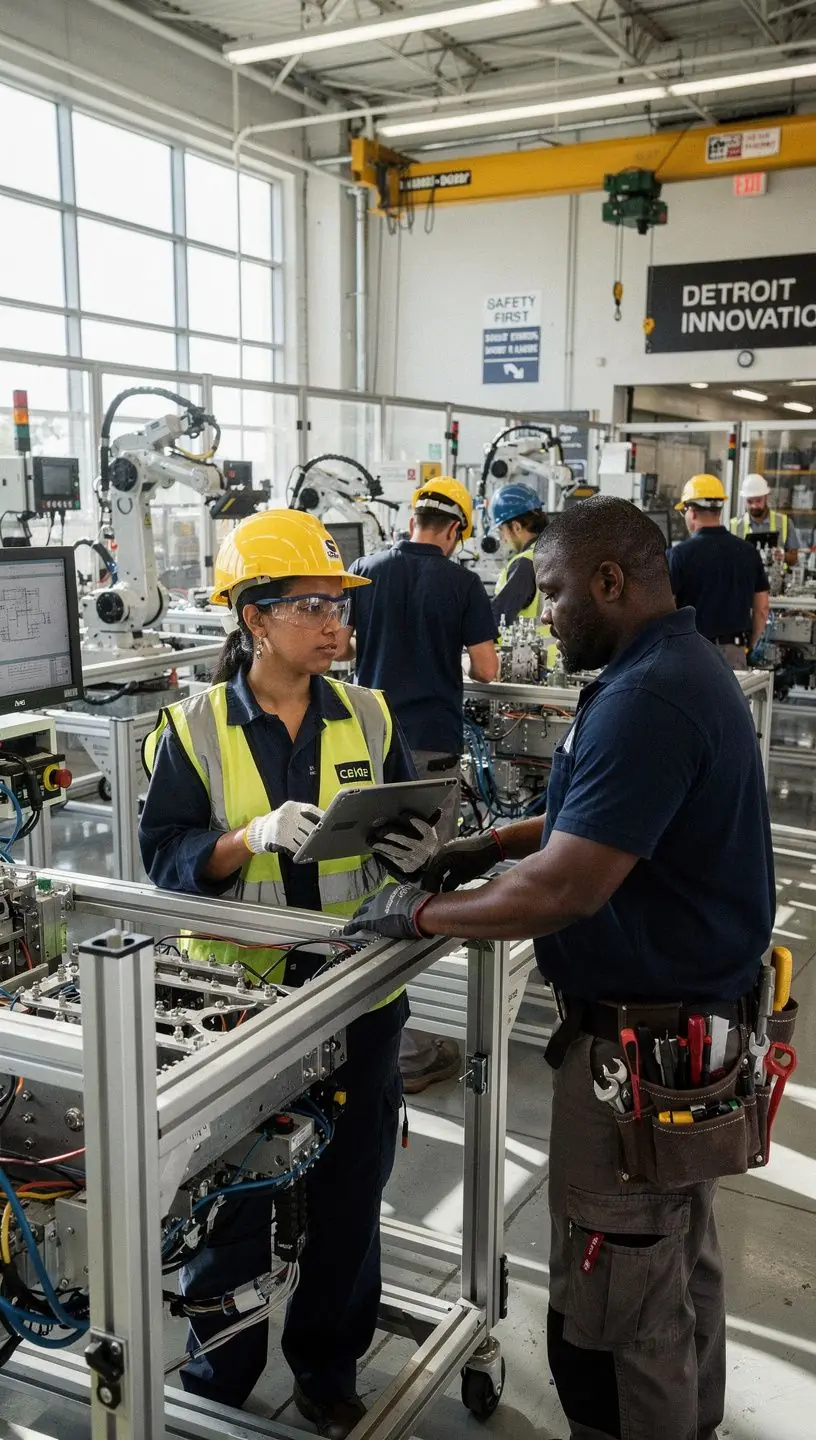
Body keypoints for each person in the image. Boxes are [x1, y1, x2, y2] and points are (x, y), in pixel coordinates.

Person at [345, 496, 775, 1440]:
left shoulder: (649, 696)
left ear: (610, 582)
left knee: (619, 1305)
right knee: (674, 1263)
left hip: (640, 1049)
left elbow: (565, 890)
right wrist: (485, 844)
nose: (541, 617)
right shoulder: (662, 667)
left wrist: (420, 910)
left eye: (552, 594)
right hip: (687, 1032)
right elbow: (603, 813)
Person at [139, 509, 439, 1438]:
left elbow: (398, 846)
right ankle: (219, 1369)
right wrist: (247, 838)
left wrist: (420, 846)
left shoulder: (371, 711)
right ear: (254, 619)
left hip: (358, 993)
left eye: (339, 603)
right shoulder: (190, 728)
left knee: (351, 1193)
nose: (334, 622)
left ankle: (328, 1364)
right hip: (238, 1005)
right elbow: (166, 857)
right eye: (310, 604)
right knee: (233, 1195)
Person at [337, 477, 499, 1094]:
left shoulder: (365, 567)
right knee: (422, 881)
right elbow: (486, 668)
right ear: (456, 530)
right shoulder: (462, 584)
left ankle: (365, 1018)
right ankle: (408, 1046)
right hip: (430, 748)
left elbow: (344, 645)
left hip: (367, 741)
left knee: (366, 870)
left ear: (414, 519)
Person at [668, 473, 769, 668]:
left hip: (690, 653)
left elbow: (667, 610)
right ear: (719, 510)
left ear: (692, 512)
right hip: (735, 653)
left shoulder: (679, 555)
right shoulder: (749, 552)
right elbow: (762, 609)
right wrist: (748, 645)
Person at [730, 472, 801, 566]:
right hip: (745, 579)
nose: (754, 505)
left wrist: (783, 556)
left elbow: (794, 558)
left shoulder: (785, 523)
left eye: (758, 500)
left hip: (775, 578)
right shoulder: (734, 525)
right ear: (744, 500)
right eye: (750, 501)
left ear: (766, 497)